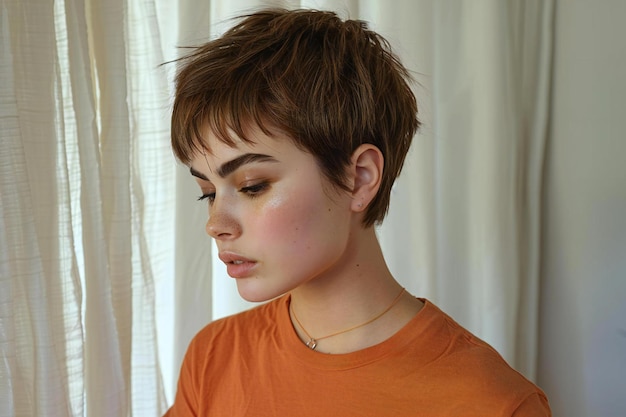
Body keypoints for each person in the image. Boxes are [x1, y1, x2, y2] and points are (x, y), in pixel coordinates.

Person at [164, 8, 551, 416]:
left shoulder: (491, 403)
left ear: (360, 178)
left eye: (251, 186)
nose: (215, 225)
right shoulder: (213, 357)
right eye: (207, 192)